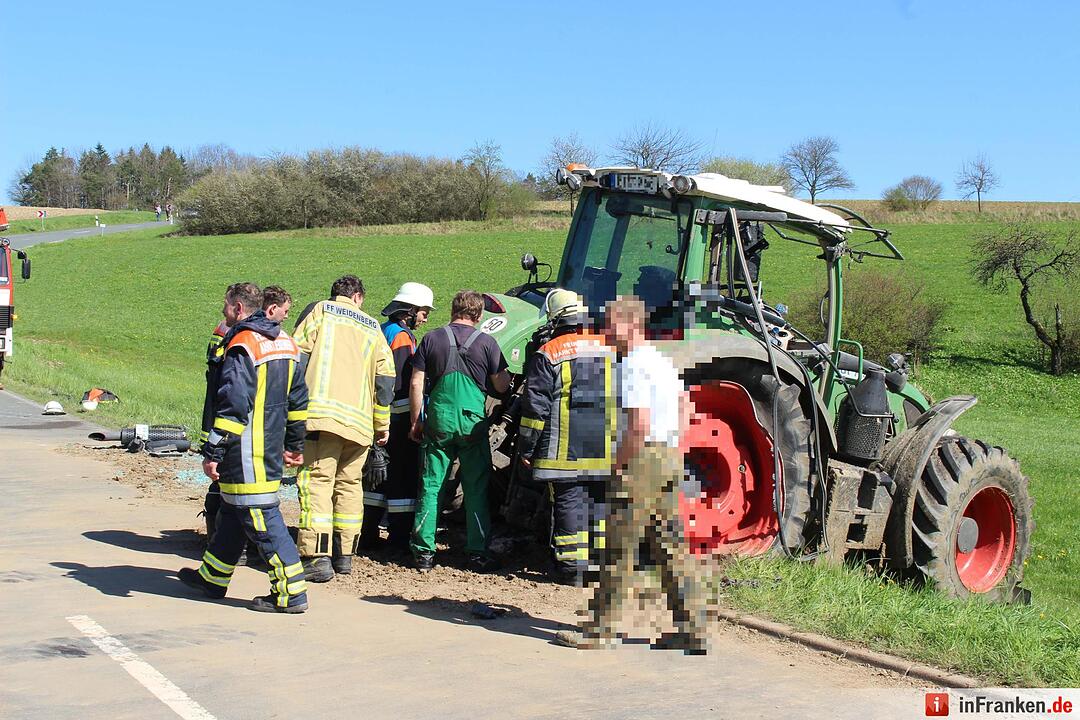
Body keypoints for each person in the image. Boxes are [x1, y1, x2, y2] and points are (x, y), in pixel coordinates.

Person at [556, 297, 708, 654]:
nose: (604, 332)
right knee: (670, 548)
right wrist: (672, 452)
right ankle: (693, 629)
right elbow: (686, 410)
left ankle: (600, 630)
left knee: (617, 548)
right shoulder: (662, 361)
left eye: (609, 324)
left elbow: (637, 424)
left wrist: (618, 463)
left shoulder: (634, 365)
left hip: (642, 461)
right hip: (668, 457)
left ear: (628, 325)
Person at [179, 282, 311, 613]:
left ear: (239, 308)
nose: (223, 313)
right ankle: (212, 578)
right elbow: (298, 400)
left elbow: (234, 405)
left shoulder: (242, 344)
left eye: (225, 306)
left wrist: (213, 451)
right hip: (269, 447)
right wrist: (295, 443)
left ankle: (291, 593)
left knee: (262, 519)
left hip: (246, 452)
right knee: (234, 514)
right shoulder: (286, 342)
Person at [293, 275, 396, 581]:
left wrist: (291, 410)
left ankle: (316, 557)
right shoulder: (373, 326)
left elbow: (296, 359)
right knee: (350, 487)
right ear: (359, 297)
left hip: (320, 418)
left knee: (317, 483)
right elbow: (385, 381)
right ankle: (345, 557)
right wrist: (382, 426)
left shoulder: (320, 312)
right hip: (360, 424)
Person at [518, 289, 616, 585]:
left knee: (569, 504)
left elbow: (535, 408)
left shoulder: (548, 354)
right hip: (605, 447)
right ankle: (599, 566)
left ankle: (572, 569)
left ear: (556, 319)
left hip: (563, 452)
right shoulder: (610, 348)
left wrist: (526, 447)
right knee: (599, 505)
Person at [409, 290, 510, 572]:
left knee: (431, 485)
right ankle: (477, 551)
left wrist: (416, 420)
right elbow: (501, 386)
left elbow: (417, 383)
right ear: (478, 315)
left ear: (453, 310)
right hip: (471, 423)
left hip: (438, 421)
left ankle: (424, 553)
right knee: (476, 487)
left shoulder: (432, 338)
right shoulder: (487, 343)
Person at [360, 282, 435, 550]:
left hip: (375, 415)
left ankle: (367, 533)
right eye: (424, 311)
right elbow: (402, 382)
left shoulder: (382, 330)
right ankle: (399, 538)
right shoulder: (402, 337)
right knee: (401, 478)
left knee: (375, 477)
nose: (425, 317)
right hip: (398, 418)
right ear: (409, 310)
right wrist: (414, 419)